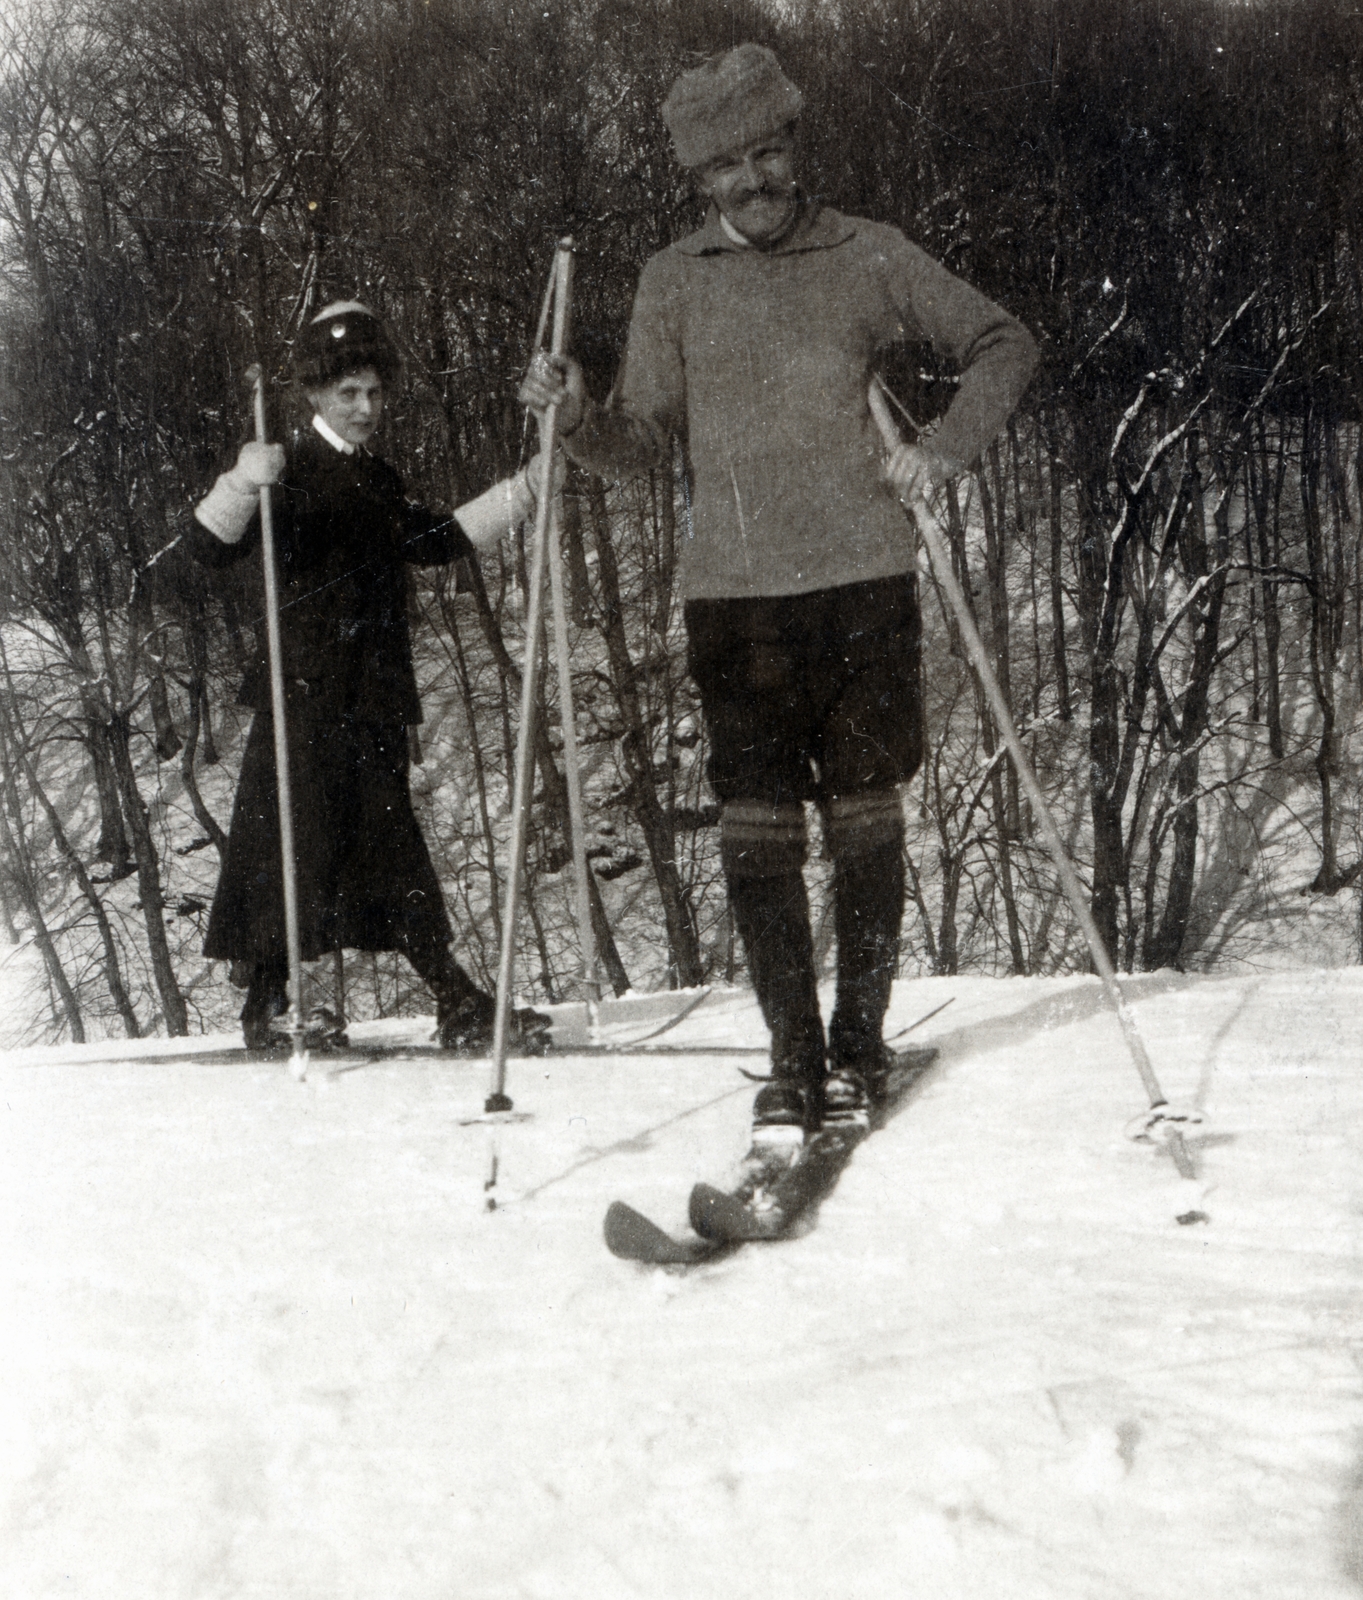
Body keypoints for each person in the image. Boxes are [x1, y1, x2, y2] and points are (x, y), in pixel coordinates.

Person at [520, 44, 1038, 1138]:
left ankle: (858, 1044)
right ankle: (792, 1059)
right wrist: (575, 418)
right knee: (754, 830)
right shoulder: (674, 278)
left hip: (861, 582)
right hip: (735, 598)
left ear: (794, 148)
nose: (752, 182)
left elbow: (1003, 342)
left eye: (768, 153)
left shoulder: (867, 253)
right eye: (725, 167)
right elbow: (643, 442)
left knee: (863, 815)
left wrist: (944, 448)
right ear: (698, 181)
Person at [189, 301, 552, 1053]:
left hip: (371, 694)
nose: (364, 408)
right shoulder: (280, 471)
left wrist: (526, 488)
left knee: (385, 847)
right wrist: (236, 483)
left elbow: (436, 542)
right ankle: (280, 1003)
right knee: (296, 846)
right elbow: (206, 551)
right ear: (317, 394)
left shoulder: (378, 478)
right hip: (304, 696)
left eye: (375, 394)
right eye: (349, 393)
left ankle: (444, 998)